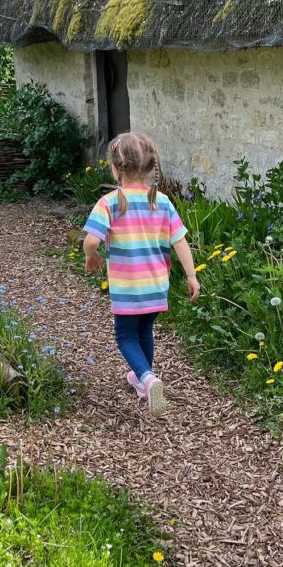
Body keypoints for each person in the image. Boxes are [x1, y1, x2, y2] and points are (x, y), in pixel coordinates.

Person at [82, 132, 200, 416]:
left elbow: (90, 240)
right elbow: (180, 241)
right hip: (156, 286)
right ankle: (142, 377)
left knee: (125, 336)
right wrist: (192, 276)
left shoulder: (109, 202)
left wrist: (91, 255)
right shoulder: (161, 202)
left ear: (116, 168)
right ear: (149, 167)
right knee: (145, 330)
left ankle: (147, 379)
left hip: (127, 287)